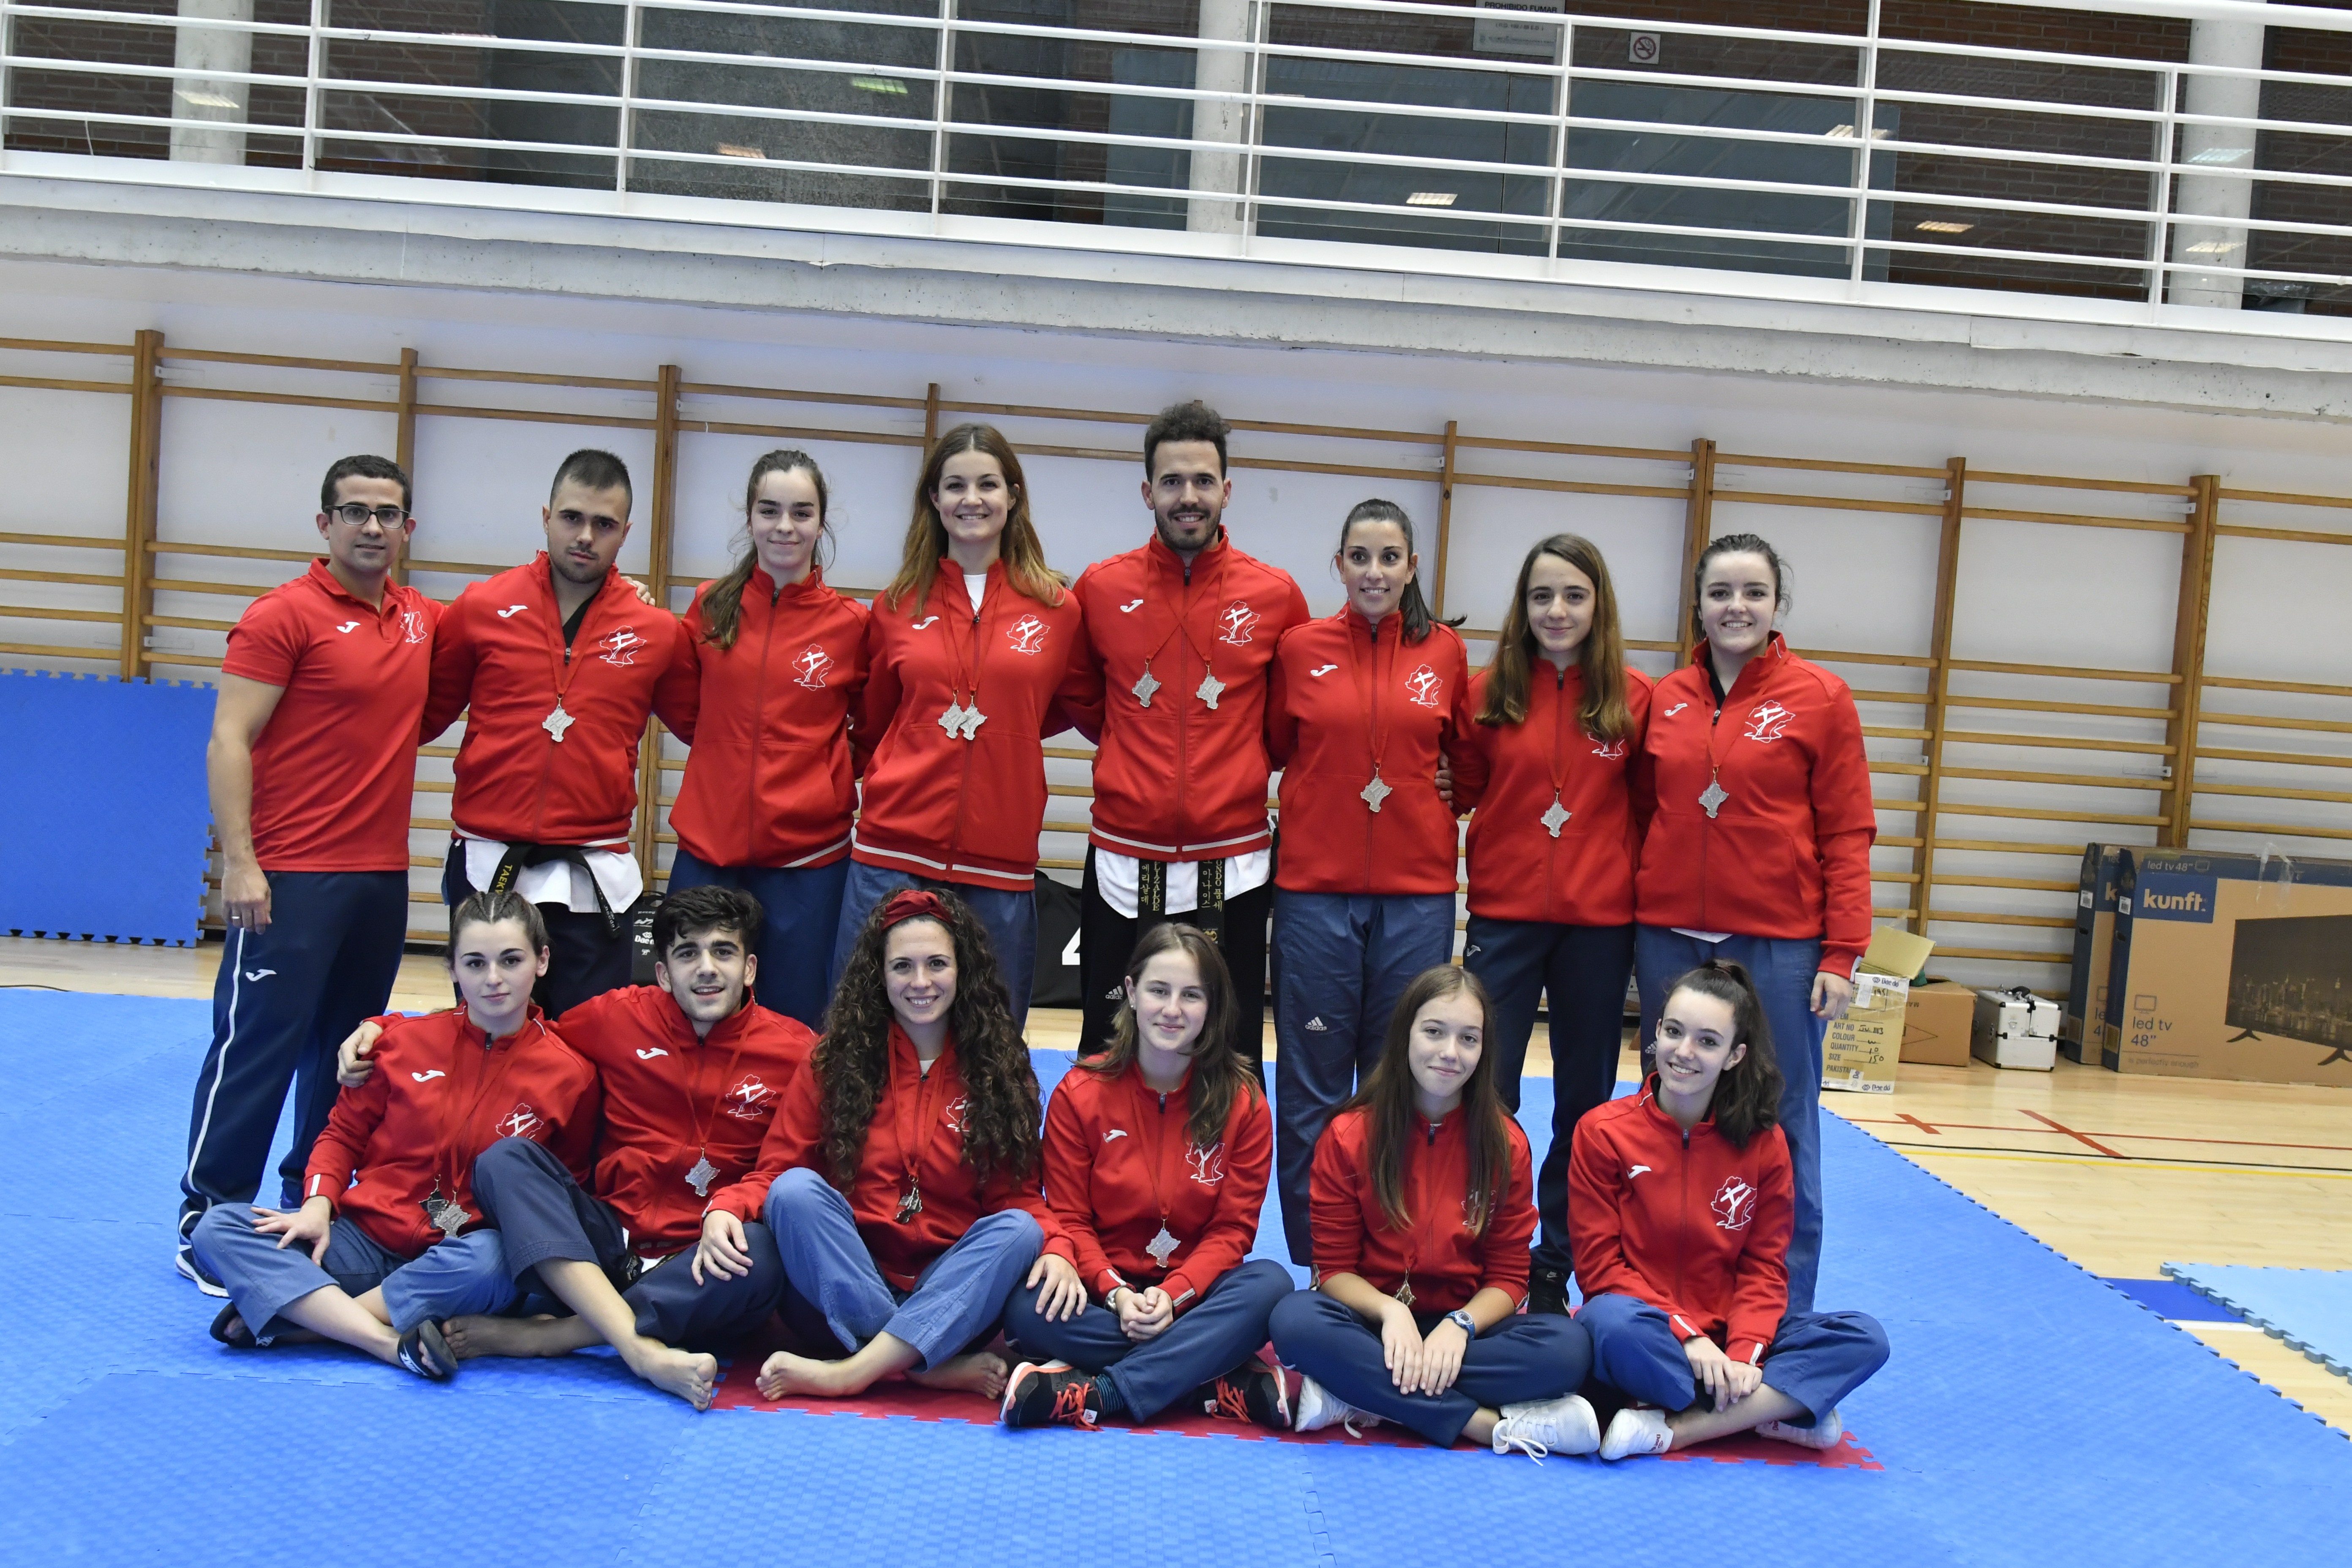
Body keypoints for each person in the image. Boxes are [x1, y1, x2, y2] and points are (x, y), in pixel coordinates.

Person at [333, 884, 815, 1409]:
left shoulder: (796, 1051)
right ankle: (635, 1342)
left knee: (763, 1256)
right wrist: (387, 1028)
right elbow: (510, 1026)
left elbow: (787, 1164)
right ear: (662, 972)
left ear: (748, 969)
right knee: (505, 1159)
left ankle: (555, 1335)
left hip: (701, 1253)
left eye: (723, 951)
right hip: (608, 1240)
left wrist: (729, 1207)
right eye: (687, 953)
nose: (706, 969)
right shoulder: (616, 1017)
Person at [177, 455, 441, 1294]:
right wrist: (242, 864)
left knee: (344, 1054)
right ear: (323, 524)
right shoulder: (281, 616)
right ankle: (206, 1216)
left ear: (409, 528)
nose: (372, 526)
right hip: (289, 877)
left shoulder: (419, 619)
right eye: (355, 511)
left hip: (379, 879)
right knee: (257, 1045)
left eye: (387, 513)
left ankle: (305, 1200)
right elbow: (229, 741)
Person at [190, 891, 596, 1380]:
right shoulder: (399, 1042)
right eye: (475, 962)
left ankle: (308, 1320)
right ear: (452, 969)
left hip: (459, 1257)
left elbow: (562, 1184)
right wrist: (318, 1205)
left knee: (494, 1261)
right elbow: (341, 1134)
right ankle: (384, 1341)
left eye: (511, 960)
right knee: (217, 1229)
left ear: (542, 960)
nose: (493, 979)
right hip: (361, 1241)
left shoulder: (572, 1074)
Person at [1631, 533, 1873, 1316]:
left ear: (1776, 606)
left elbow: (1846, 830)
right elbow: (1640, 814)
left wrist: (1841, 952)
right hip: (1668, 937)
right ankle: (1666, 1301)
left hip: (1777, 947)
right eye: (1720, 592)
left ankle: (1782, 1315)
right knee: (1664, 1119)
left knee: (1781, 1123)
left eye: (1752, 593)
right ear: (1697, 603)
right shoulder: (1663, 699)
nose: (1735, 607)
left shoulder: (1821, 697)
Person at [709, 889, 1077, 1401]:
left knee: (1018, 1231)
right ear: (879, 975)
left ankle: (852, 1371)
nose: (920, 982)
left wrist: (1059, 1248)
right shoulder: (832, 1060)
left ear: (963, 968)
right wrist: (724, 1206)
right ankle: (920, 1366)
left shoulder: (998, 1069)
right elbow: (777, 1170)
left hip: (948, 1296)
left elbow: (1016, 1199)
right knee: (795, 1192)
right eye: (902, 965)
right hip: (839, 1289)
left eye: (937, 964)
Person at [1062, 401, 1309, 1073]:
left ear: (1228, 489)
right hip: (1122, 856)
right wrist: (1135, 759)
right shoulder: (1102, 587)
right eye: (1172, 481)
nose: (1188, 497)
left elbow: (1286, 725)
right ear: (1148, 491)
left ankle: (1220, 1180)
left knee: (1227, 1056)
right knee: (1108, 1046)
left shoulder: (1275, 596)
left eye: (1203, 480)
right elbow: (1088, 699)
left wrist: (1227, 768)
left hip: (1232, 863)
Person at [1267, 966, 1597, 1458]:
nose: (1450, 1052)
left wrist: (1460, 1325)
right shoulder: (1349, 1134)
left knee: (1570, 1349)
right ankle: (1485, 1425)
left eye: (1468, 1038)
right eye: (1434, 1032)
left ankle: (1360, 1393)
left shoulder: (1507, 1145)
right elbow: (1333, 1269)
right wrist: (1390, 1311)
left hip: (1464, 1332)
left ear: (1485, 1050)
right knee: (1294, 1320)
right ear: (1404, 1035)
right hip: (1374, 1324)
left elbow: (1510, 1278)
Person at [1264, 499, 1476, 1265]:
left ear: (1412, 567)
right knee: (1313, 1082)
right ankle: (1320, 1260)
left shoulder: (1447, 655)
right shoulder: (1298, 649)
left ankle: (1395, 1253)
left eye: (1390, 558)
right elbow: (1276, 744)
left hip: (1416, 896)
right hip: (1315, 893)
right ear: (1339, 564)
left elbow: (1469, 762)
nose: (1374, 572)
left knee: (1405, 1079)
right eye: (1359, 556)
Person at [1570, 961, 1889, 1460]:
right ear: (1656, 1032)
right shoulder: (1602, 1132)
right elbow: (1599, 1269)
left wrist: (1743, 1353)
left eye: (1708, 1041)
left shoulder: (1765, 1144)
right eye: (1674, 1032)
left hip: (1731, 1331)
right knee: (1609, 1324)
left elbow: (1765, 1266)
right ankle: (1770, 1408)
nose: (1684, 1052)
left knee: (1864, 1337)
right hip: (1652, 1331)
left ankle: (1680, 1428)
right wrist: (1691, 1338)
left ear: (1736, 1054)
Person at [1450, 534, 1652, 1315]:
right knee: (1485, 1095)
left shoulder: (1635, 698)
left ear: (1597, 604)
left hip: (1599, 928)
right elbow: (1462, 787)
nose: (1557, 610)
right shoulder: (1486, 693)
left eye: (1573, 595)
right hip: (1502, 918)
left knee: (1584, 1101)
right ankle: (1477, 1251)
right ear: (1521, 606)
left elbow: (1646, 807)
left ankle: (1554, 1261)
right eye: (1541, 596)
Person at [421, 448, 690, 1017]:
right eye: (572, 518)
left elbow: (711, 730)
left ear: (626, 533)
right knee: (486, 1037)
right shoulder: (480, 608)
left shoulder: (657, 632)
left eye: (604, 524)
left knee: (590, 1048)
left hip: (595, 874)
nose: (586, 535)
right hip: (488, 864)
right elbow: (414, 718)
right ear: (547, 516)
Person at [830, 425, 1087, 1015]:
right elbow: (875, 723)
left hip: (999, 860)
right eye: (955, 485)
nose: (972, 499)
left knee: (991, 1037)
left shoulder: (1058, 609)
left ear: (1013, 496)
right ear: (934, 500)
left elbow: (1067, 703)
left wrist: (1005, 734)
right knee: (863, 1031)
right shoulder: (895, 606)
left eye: (988, 484)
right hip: (893, 854)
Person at [999, 922, 1291, 1430]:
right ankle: (1205, 1376)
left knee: (1271, 1286)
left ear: (1212, 1006)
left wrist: (1174, 1295)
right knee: (1026, 1306)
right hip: (1103, 1294)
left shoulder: (1245, 1104)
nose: (1172, 1010)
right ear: (1132, 993)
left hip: (1193, 1295)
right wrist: (1115, 1293)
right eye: (1159, 990)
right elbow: (1069, 1217)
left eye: (1191, 995)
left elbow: (1233, 1233)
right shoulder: (1080, 1092)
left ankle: (1102, 1391)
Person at [658, 449, 868, 1029]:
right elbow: (684, 708)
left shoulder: (851, 625)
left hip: (808, 862)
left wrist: (818, 778)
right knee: (690, 1015)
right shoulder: (711, 607)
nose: (785, 526)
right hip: (709, 851)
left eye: (802, 513)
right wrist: (727, 761)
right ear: (749, 517)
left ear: (821, 522)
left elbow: (873, 729)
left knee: (797, 1020)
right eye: (769, 510)